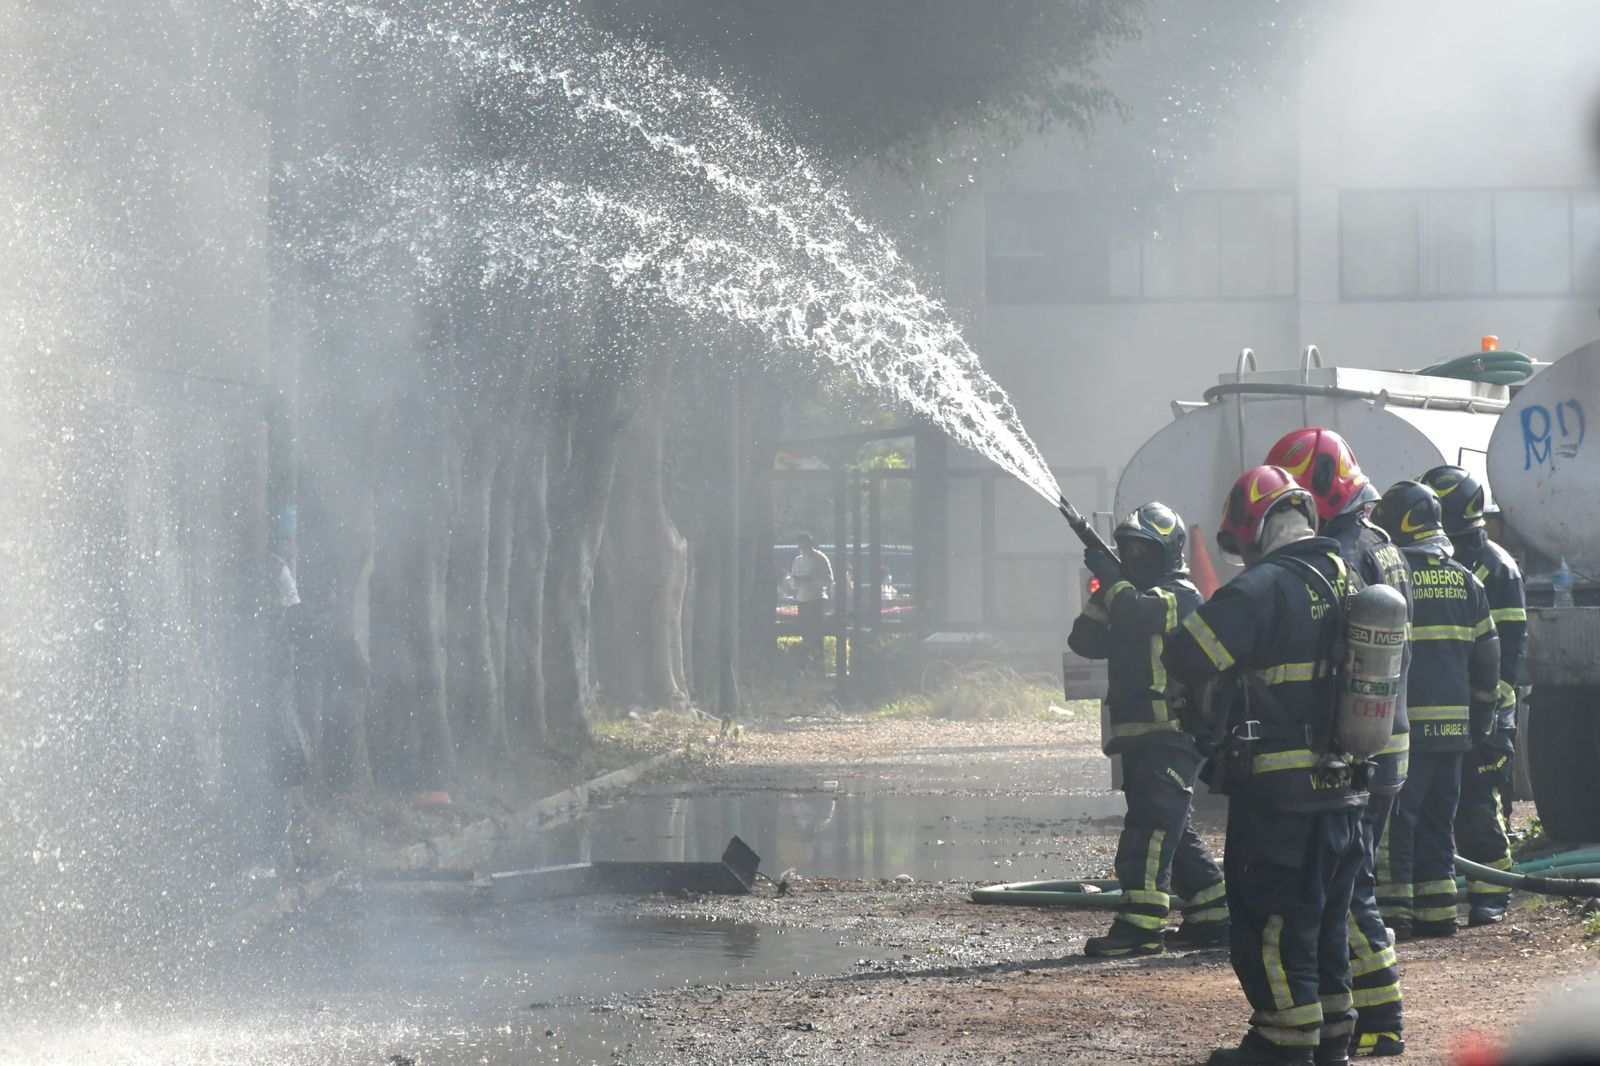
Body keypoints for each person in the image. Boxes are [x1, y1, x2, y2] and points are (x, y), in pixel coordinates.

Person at [1163, 467, 1368, 1066]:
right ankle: (1331, 1037)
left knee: (1269, 920)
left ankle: (1282, 1043)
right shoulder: (1349, 578)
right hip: (1345, 789)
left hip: (1280, 795)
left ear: (1255, 523)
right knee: (1325, 920)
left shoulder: (1263, 588)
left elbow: (1188, 652)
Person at [1267, 429, 1408, 1057]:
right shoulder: (1383, 543)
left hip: (1363, 744)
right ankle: (1364, 1018)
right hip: (1388, 732)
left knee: (1345, 892)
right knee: (1353, 884)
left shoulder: (1348, 551)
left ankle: (1378, 1020)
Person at [1069, 502, 1227, 958]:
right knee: (1175, 833)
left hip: (1171, 734)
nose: (1133, 557)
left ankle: (1139, 929)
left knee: (1150, 833)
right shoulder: (1125, 595)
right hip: (1139, 734)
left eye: (1143, 550)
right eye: (1127, 550)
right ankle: (1215, 916)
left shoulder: (1181, 594)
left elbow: (1140, 614)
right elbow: (1084, 640)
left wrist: (1114, 581)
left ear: (1166, 553)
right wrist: (1105, 591)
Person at [1370, 482, 1500, 941]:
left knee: (1399, 822)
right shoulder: (1468, 579)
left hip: (1406, 730)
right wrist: (1484, 712)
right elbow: (1488, 656)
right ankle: (1440, 912)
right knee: (1440, 820)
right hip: (1455, 731)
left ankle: (1397, 913)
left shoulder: (1392, 578)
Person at [1420, 465, 1527, 927]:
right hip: (1442, 710)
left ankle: (1492, 893)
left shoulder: (1498, 569)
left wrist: (1490, 709)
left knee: (1479, 804)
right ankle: (1441, 890)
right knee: (1435, 805)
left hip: (1485, 711)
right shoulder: (1433, 564)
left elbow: (1508, 650)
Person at [788, 533, 834, 665]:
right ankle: (807, 661)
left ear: (810, 543)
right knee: (805, 632)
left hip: (816, 600)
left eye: (804, 543)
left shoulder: (820, 558)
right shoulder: (797, 560)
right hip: (802, 600)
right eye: (800, 543)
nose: (802, 546)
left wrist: (811, 580)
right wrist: (796, 582)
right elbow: (793, 581)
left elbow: (828, 580)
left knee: (816, 631)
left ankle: (819, 662)